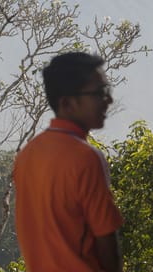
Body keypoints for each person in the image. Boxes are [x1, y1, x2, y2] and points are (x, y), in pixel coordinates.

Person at [13, 52, 123, 272]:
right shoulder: (85, 158)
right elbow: (106, 240)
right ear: (67, 103)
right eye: (99, 93)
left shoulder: (27, 155)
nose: (108, 100)